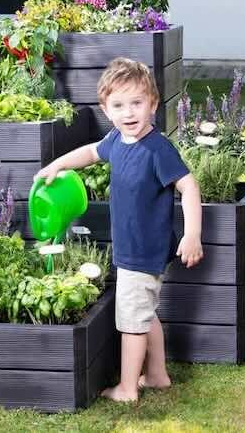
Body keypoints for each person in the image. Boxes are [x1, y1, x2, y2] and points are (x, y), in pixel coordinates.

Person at [35, 57, 204, 402]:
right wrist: (58, 164)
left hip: (143, 252)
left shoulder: (157, 149)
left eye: (137, 103)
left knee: (130, 321)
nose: (129, 113)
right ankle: (156, 375)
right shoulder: (117, 140)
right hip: (135, 249)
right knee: (145, 313)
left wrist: (192, 234)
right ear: (106, 110)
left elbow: (190, 187)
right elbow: (90, 153)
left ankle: (128, 388)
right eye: (119, 105)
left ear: (153, 105)